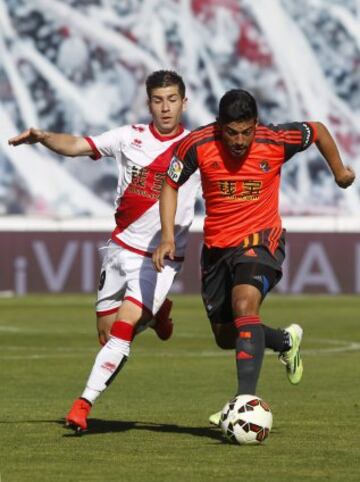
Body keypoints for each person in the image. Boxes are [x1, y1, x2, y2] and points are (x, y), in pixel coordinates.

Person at [8, 70, 200, 433]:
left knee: (123, 330)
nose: (165, 108)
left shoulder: (196, 147)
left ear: (184, 102)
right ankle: (157, 314)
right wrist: (45, 137)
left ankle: (83, 405)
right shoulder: (129, 137)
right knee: (106, 333)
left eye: (172, 99)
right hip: (119, 248)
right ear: (149, 103)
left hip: (160, 255)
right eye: (158, 100)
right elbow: (79, 145)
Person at [152, 89, 355, 425]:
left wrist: (339, 172)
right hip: (217, 249)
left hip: (262, 240)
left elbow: (316, 129)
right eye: (232, 132)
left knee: (245, 304)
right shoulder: (197, 145)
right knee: (225, 336)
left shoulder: (275, 139)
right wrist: (168, 236)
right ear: (219, 126)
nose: (240, 140)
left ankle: (244, 402)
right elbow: (170, 184)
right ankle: (284, 340)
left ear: (256, 125)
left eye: (247, 131)